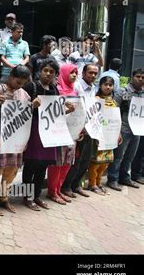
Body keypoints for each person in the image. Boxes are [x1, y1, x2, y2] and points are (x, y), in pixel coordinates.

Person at [23, 59, 75, 211]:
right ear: (39, 71)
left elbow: (56, 113)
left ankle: (37, 195)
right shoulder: (31, 86)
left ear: (55, 75)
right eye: (45, 70)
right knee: (31, 164)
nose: (48, 74)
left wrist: (68, 110)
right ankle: (27, 197)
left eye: (51, 72)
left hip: (49, 132)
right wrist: (32, 105)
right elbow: (19, 108)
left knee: (43, 165)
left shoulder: (54, 90)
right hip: (33, 130)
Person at [0, 65, 36, 216]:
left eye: (22, 83)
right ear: (10, 76)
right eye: (17, 81)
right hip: (0, 139)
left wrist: (33, 106)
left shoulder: (25, 95)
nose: (18, 85)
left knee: (11, 172)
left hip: (16, 140)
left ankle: (4, 197)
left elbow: (26, 117)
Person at [61, 64, 99, 198]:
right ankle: (66, 186)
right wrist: (80, 126)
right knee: (75, 159)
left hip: (90, 127)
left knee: (85, 159)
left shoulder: (94, 87)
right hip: (78, 127)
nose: (93, 75)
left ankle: (76, 185)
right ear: (83, 73)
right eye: (90, 73)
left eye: (95, 73)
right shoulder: (77, 86)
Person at [106, 68, 144, 191]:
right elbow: (114, 110)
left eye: (143, 77)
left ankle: (124, 177)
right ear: (132, 77)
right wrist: (116, 130)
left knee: (130, 156)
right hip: (123, 128)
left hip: (137, 129)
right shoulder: (122, 91)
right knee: (118, 156)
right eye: (138, 76)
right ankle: (113, 179)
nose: (140, 79)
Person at [46, 64, 79, 204]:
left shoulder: (75, 92)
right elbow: (54, 112)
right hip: (59, 131)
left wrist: (80, 128)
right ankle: (52, 191)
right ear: (64, 73)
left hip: (73, 132)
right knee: (57, 163)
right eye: (71, 72)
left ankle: (59, 190)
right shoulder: (57, 91)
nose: (74, 75)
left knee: (67, 162)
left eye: (76, 73)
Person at [88, 76, 120, 195]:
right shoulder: (96, 99)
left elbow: (117, 119)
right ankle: (92, 184)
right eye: (105, 84)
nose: (108, 87)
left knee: (105, 162)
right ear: (100, 85)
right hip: (99, 135)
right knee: (96, 161)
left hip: (110, 135)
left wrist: (118, 133)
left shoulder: (114, 101)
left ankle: (99, 182)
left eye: (110, 85)